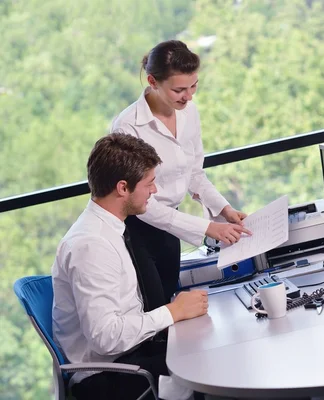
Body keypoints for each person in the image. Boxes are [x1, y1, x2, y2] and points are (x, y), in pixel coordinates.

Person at [52, 133, 209, 400]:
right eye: (149, 183)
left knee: (207, 345)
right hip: (109, 377)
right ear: (123, 188)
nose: (155, 191)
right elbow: (105, 338)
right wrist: (171, 312)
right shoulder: (91, 246)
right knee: (208, 368)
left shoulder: (110, 229)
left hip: (130, 355)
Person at [111, 40, 251, 310]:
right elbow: (139, 203)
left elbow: (194, 174)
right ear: (152, 81)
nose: (188, 97)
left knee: (172, 304)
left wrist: (225, 209)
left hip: (170, 228)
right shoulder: (128, 126)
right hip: (137, 229)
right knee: (156, 310)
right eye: (178, 90)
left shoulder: (189, 114)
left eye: (193, 86)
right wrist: (207, 228)